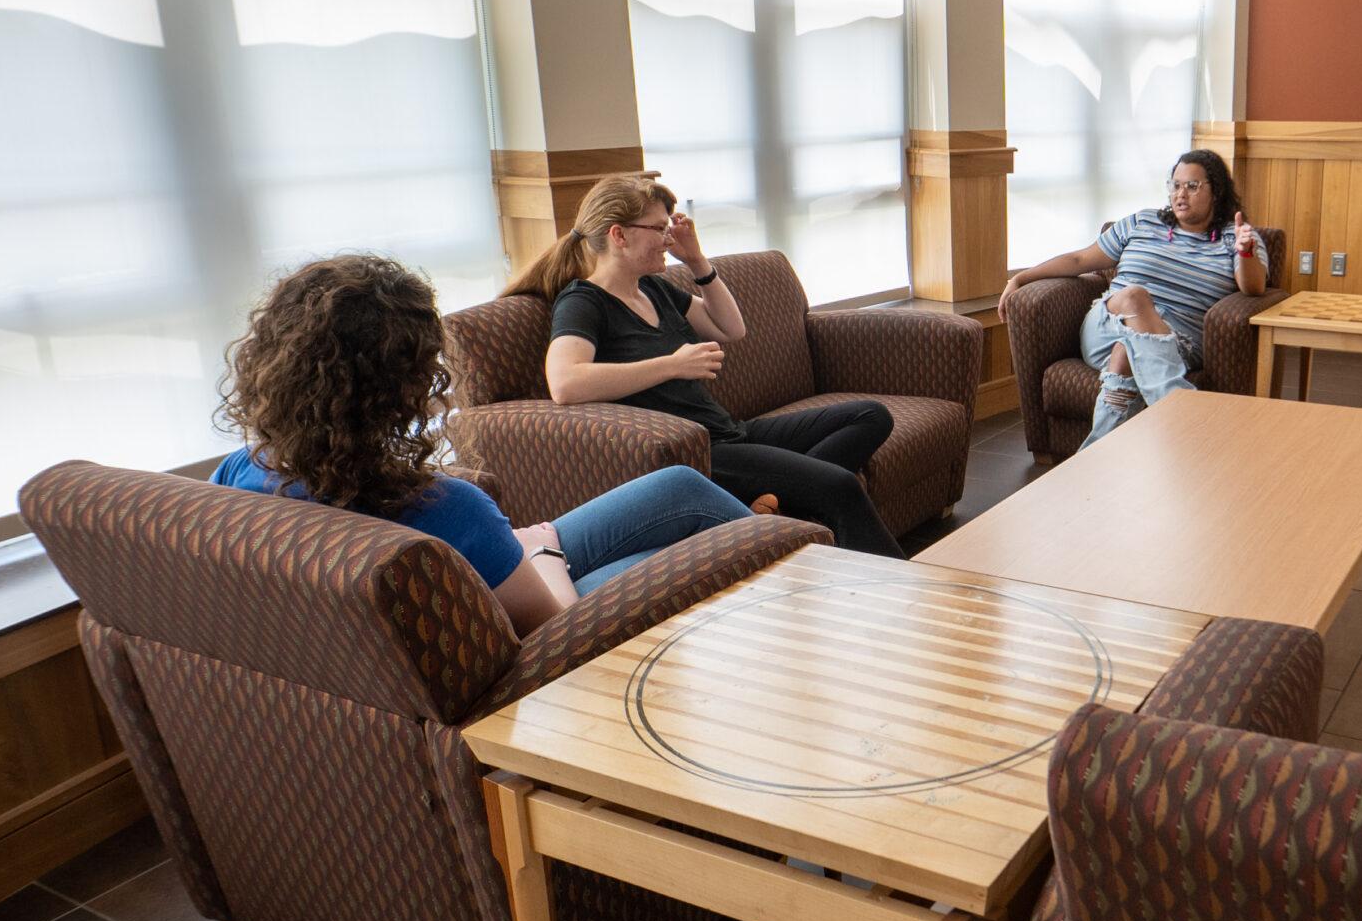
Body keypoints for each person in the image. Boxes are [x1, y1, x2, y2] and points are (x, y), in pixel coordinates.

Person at [214, 253, 755, 634]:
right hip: (542, 642)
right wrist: (543, 556)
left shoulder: (240, 471)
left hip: (447, 602)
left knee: (682, 487)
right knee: (703, 550)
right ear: (406, 385)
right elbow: (558, 636)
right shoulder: (449, 508)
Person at [504, 175, 905, 558]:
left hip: (731, 432)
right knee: (839, 485)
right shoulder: (583, 301)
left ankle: (777, 505)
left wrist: (697, 261)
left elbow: (731, 328)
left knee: (871, 415)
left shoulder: (652, 288)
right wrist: (672, 365)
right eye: (658, 228)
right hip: (699, 452)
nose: (668, 239)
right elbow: (565, 382)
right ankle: (906, 590)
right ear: (619, 235)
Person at [999, 149, 1266, 445]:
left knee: (1125, 353)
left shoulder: (1237, 237)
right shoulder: (1143, 222)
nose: (1181, 194)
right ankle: (1183, 412)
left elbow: (1253, 288)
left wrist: (1246, 252)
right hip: (1108, 326)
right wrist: (1021, 278)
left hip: (1179, 344)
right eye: (1176, 185)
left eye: (1192, 186)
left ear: (1216, 191)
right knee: (1135, 297)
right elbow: (1079, 260)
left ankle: (1096, 458)